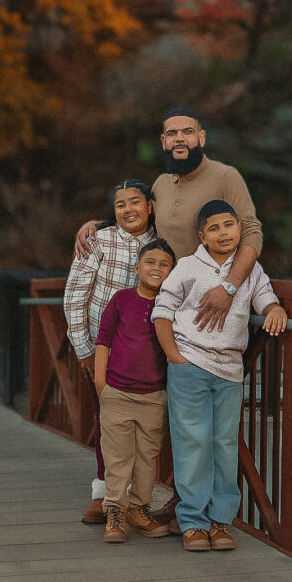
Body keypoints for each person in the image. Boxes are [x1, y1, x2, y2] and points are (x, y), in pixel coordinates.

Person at [74, 108, 265, 526]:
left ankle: (198, 510)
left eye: (187, 132)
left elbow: (251, 232)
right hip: (158, 314)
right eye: (171, 133)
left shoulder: (226, 177)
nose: (180, 138)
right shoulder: (162, 183)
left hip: (209, 319)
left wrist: (230, 286)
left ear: (201, 136)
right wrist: (99, 223)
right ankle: (122, 496)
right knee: (139, 405)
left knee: (202, 425)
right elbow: (140, 221)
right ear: (163, 141)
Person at [152, 200, 287, 552]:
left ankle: (220, 520)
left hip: (229, 370)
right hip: (190, 365)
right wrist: (176, 359)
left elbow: (265, 298)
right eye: (214, 228)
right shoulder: (187, 267)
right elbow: (161, 312)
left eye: (229, 225)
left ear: (239, 229)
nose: (223, 233)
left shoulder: (249, 270)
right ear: (202, 236)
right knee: (192, 443)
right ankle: (193, 522)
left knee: (224, 446)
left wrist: (274, 309)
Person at [64, 179, 156, 524]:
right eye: (120, 205)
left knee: (146, 424)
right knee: (107, 421)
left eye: (136, 202)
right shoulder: (99, 241)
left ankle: (136, 499)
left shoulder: (161, 244)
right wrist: (84, 349)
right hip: (103, 349)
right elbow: (74, 296)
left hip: (149, 351)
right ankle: (103, 494)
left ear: (150, 206)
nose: (129, 209)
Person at [94, 238, 177, 543]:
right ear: (138, 266)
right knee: (117, 456)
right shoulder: (122, 299)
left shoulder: (171, 304)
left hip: (155, 395)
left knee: (147, 457)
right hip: (117, 392)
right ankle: (114, 511)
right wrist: (101, 384)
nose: (157, 268)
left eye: (164, 264)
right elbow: (103, 339)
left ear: (172, 271)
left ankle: (138, 508)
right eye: (151, 262)